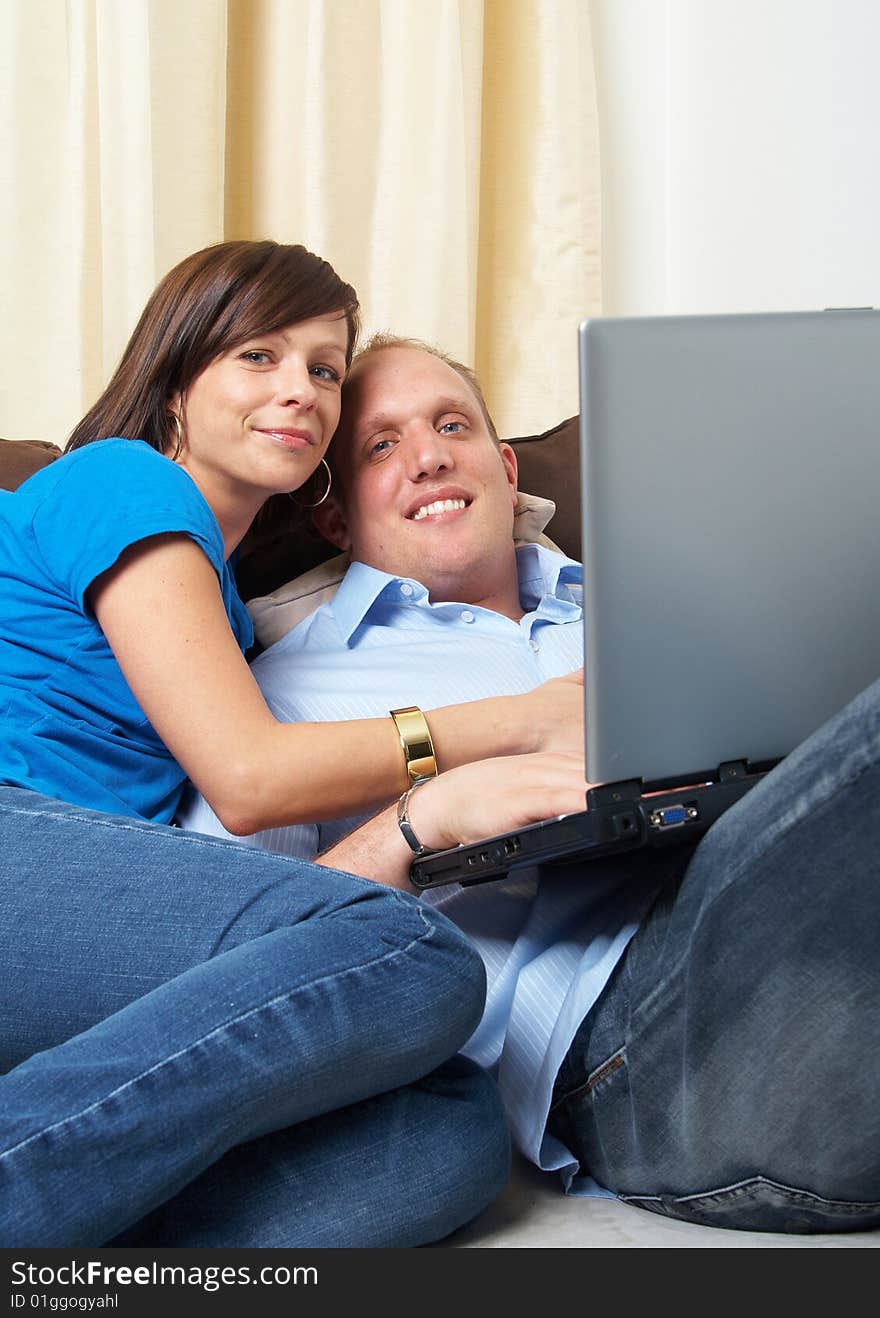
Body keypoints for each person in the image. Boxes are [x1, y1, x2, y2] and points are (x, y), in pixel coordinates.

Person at [182, 335, 880, 1235]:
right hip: (640, 1055)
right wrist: (417, 824)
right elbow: (227, 973)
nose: (429, 454)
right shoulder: (281, 703)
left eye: (452, 424)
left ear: (506, 469)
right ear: (336, 518)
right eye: (381, 446)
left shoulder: (673, 608)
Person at [0, 242, 589, 1248]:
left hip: (90, 935)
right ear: (177, 380)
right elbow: (247, 779)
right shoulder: (121, 481)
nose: (302, 392)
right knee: (407, 950)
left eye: (323, 369)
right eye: (260, 358)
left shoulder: (235, 621)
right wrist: (510, 733)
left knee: (444, 1131)